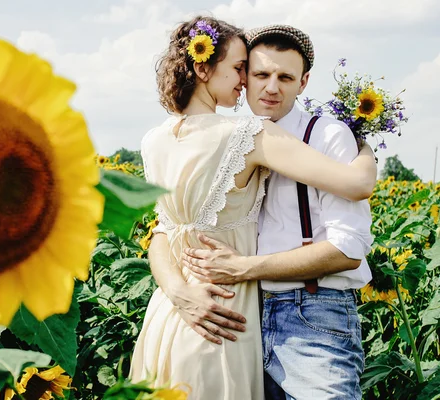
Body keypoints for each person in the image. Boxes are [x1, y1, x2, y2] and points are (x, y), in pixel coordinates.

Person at [129, 16, 376, 400]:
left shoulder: (154, 140)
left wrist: (178, 290)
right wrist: (364, 149)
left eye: (284, 78)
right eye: (245, 70)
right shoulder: (248, 133)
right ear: (202, 66)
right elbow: (359, 184)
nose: (248, 82)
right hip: (223, 311)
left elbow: (161, 232)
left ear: (303, 82)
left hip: (181, 311)